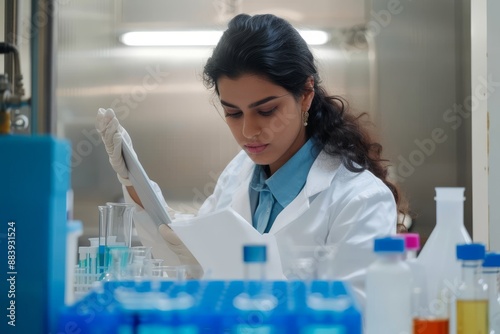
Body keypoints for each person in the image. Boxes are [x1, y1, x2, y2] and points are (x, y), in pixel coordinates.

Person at [96, 13, 407, 305]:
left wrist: (244, 280)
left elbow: (354, 315)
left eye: (266, 110)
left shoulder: (361, 199)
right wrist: (134, 183)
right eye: (233, 113)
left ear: (306, 94)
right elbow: (189, 264)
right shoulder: (239, 175)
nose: (248, 131)